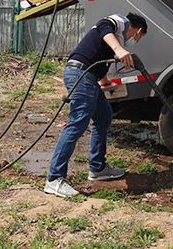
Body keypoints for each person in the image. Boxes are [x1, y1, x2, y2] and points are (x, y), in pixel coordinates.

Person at [44, 12, 148, 197]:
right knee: (78, 122)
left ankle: (98, 168)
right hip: (80, 74)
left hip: (89, 77)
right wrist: (119, 50)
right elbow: (103, 26)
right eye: (137, 39)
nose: (132, 42)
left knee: (103, 116)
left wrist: (104, 80)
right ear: (138, 32)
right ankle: (55, 179)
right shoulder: (121, 22)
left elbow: (98, 58)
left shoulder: (115, 38)